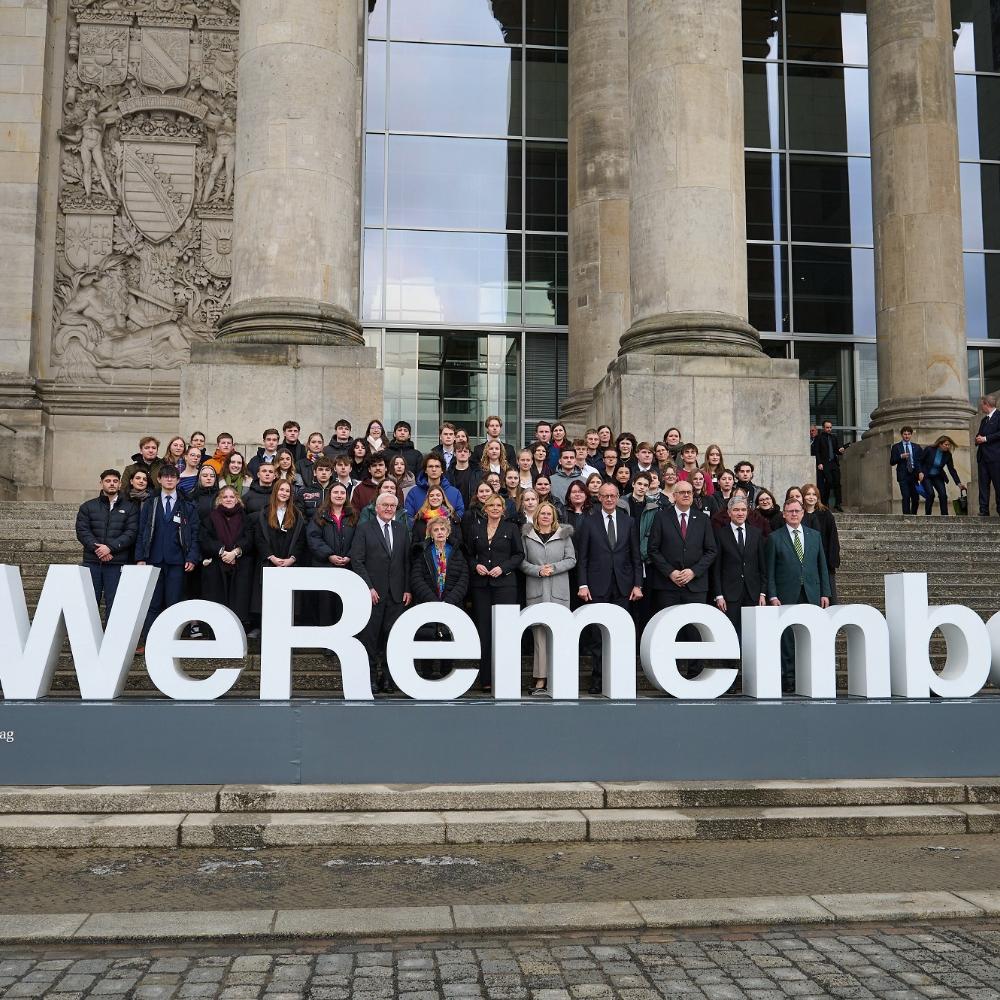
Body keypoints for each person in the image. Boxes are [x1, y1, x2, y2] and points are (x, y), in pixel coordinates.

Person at [576, 482, 643, 694]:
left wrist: (637, 584)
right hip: (596, 586)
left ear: (618, 497)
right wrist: (583, 584)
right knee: (598, 635)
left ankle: (620, 678)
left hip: (623, 586)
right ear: (599, 498)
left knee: (620, 633)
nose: (609, 499)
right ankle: (598, 679)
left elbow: (635, 556)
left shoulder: (629, 521)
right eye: (605, 496)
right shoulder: (588, 522)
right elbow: (582, 557)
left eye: (613, 496)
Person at [646, 480, 717, 675]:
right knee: (669, 631)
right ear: (674, 496)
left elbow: (711, 551)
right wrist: (670, 572)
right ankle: (671, 673)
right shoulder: (661, 517)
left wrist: (693, 571)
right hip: (668, 585)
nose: (686, 495)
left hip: (695, 585)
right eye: (682, 492)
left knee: (694, 630)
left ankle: (695, 672)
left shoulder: (702, 519)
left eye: (689, 492)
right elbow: (653, 549)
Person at [766, 496, 831, 690]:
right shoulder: (774, 538)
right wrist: (772, 594)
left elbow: (822, 567)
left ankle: (812, 676)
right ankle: (789, 680)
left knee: (812, 636)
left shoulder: (814, 536)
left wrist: (825, 592)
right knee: (787, 639)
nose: (794, 514)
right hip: (786, 595)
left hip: (811, 593)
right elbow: (769, 570)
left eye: (797, 511)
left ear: (803, 514)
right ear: (784, 514)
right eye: (790, 511)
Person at [350, 492, 412, 693]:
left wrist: (407, 589)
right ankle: (370, 679)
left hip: (396, 595)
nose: (388, 508)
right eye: (384, 505)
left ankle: (387, 678)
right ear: (376, 508)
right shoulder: (364, 529)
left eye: (392, 506)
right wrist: (368, 587)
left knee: (391, 638)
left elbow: (406, 562)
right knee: (370, 638)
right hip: (372, 595)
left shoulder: (402, 530)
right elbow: (357, 560)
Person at [134, 465, 200, 651]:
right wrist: (140, 557)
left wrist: (192, 557)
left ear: (178, 480)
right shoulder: (150, 504)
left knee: (174, 603)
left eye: (173, 477)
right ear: (160, 480)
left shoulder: (187, 506)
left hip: (178, 561)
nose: (169, 480)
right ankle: (149, 641)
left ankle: (172, 642)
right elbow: (141, 532)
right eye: (166, 477)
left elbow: (195, 533)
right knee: (152, 603)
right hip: (153, 560)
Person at [466, 492, 523, 692]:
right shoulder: (475, 528)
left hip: (505, 585)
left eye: (499, 505)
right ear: (486, 508)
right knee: (484, 632)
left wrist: (504, 567)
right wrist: (476, 566)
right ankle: (486, 679)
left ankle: (505, 677)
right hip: (482, 586)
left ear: (503, 509)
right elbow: (469, 555)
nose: (496, 508)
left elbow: (519, 554)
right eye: (492, 505)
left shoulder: (511, 528)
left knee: (505, 632)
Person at [520, 502, 576, 695]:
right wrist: (537, 570)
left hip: (559, 592)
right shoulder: (527, 536)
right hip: (536, 590)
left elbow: (571, 559)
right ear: (537, 516)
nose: (545, 516)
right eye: (542, 513)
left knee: (559, 636)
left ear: (554, 517)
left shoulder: (564, 534)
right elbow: (522, 561)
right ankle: (541, 679)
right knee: (539, 638)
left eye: (549, 514)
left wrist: (553, 568)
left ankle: (559, 677)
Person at [410, 517, 470, 680]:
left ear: (448, 532)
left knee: (449, 638)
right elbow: (416, 578)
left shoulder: (457, 551)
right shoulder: (422, 551)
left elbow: (463, 579)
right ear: (430, 533)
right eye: (436, 530)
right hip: (428, 604)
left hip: (452, 603)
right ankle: (427, 674)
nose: (440, 532)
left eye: (442, 529)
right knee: (427, 637)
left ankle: (446, 673)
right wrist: (434, 602)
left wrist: (449, 601)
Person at [76, 468, 139, 614]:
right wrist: (99, 550)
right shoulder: (87, 506)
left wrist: (110, 548)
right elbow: (82, 531)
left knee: (115, 604)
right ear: (101, 483)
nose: (111, 484)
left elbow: (131, 532)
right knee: (89, 603)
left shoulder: (130, 508)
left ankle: (112, 636)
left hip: (116, 563)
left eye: (115, 481)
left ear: (120, 484)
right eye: (108, 481)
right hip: (92, 562)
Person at [250, 480, 306, 635]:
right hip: (269, 562)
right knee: (267, 599)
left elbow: (301, 540)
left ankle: (286, 631)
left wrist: (292, 559)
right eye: (281, 490)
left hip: (289, 562)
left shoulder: (296, 514)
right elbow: (259, 538)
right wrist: (271, 557)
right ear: (275, 491)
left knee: (287, 601)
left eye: (287, 491)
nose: (284, 493)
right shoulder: (265, 512)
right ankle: (263, 629)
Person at [711, 496, 767, 649]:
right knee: (730, 630)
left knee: (752, 632)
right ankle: (732, 665)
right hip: (729, 593)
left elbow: (762, 565)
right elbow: (716, 567)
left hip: (753, 592)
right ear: (729, 513)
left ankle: (750, 665)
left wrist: (763, 592)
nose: (740, 513)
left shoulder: (756, 533)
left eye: (743, 510)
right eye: (736, 510)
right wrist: (719, 595)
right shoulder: (720, 534)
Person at [199, 486, 253, 629]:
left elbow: (249, 538)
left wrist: (235, 552)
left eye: (232, 496)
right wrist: (222, 552)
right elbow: (205, 539)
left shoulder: (244, 517)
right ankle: (216, 631)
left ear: (237, 499)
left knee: (238, 603)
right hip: (217, 565)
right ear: (219, 500)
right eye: (225, 497)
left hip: (239, 565)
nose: (228, 499)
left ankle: (237, 631)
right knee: (217, 604)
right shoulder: (211, 517)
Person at [306, 482, 357, 633]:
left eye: (342, 493)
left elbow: (359, 539)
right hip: (325, 567)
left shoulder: (354, 515)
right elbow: (313, 538)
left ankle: (342, 637)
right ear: (330, 495)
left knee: (343, 604)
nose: (339, 495)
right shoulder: (319, 514)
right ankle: (326, 640)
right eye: (336, 492)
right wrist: (329, 555)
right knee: (325, 603)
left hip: (347, 567)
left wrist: (349, 556)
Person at [802, 482, 840, 604]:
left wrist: (832, 561)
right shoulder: (799, 515)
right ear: (803, 496)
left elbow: (833, 538)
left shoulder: (826, 514)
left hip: (824, 561)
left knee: (829, 598)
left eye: (814, 494)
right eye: (808, 494)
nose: (811, 497)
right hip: (806, 561)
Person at [405, 453, 465, 519]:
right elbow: (408, 517)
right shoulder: (414, 493)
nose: (434, 469)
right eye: (430, 466)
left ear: (442, 470)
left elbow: (460, 512)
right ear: (425, 470)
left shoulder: (454, 493)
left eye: (437, 466)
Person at [920, 435, 965, 516]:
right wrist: (920, 472)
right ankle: (927, 515)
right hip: (926, 475)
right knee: (930, 494)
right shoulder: (929, 449)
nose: (948, 446)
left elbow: (952, 469)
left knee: (943, 495)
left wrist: (958, 483)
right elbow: (920, 461)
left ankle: (944, 516)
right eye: (946, 444)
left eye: (949, 445)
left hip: (938, 476)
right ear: (940, 444)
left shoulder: (948, 455)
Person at [890, 426, 924, 515]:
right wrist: (901, 456)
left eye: (908, 434)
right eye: (905, 434)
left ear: (911, 435)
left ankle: (913, 515)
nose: (907, 436)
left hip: (914, 475)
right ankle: (907, 516)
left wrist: (920, 472)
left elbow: (920, 461)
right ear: (901, 435)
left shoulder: (916, 447)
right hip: (903, 474)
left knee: (915, 498)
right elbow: (892, 461)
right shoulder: (896, 447)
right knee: (906, 496)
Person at [351, 451, 399, 515]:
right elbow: (355, 513)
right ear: (369, 469)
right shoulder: (359, 489)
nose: (378, 468)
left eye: (380, 465)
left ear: (386, 468)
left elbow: (400, 513)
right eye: (374, 465)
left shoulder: (395, 488)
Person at [975, 394, 1000, 516]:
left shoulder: (999, 416)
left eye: (982, 405)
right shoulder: (984, 420)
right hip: (983, 458)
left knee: (998, 484)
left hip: (995, 458)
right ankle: (984, 510)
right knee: (983, 485)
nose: (981, 407)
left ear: (986, 404)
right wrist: (978, 439)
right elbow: (979, 435)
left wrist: (985, 439)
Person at [813, 420, 845, 511]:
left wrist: (840, 450)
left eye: (830, 427)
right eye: (827, 427)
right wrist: (819, 463)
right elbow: (817, 452)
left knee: (837, 483)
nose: (829, 429)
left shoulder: (833, 438)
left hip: (834, 463)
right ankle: (824, 502)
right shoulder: (818, 438)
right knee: (829, 482)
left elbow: (836, 450)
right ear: (823, 428)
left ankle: (838, 503)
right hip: (824, 463)